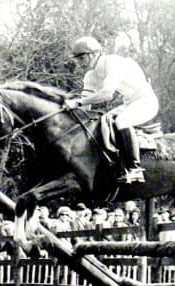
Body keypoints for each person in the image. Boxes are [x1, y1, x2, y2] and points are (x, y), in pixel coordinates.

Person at [64, 36, 159, 183]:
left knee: (122, 121)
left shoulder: (112, 62)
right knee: (103, 122)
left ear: (94, 54)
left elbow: (106, 95)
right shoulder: (90, 75)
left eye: (81, 58)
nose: (78, 64)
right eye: (76, 59)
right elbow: (86, 106)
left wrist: (77, 103)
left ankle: (135, 169)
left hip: (146, 102)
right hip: (129, 103)